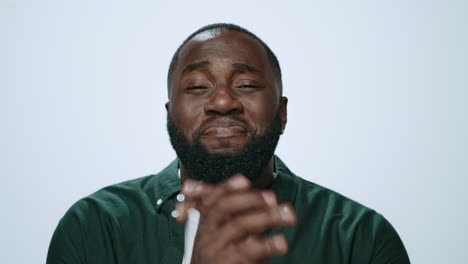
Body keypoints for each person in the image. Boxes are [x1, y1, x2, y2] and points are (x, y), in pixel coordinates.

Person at [47, 23, 410, 264]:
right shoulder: (94, 227)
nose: (222, 102)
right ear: (169, 113)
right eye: (198, 86)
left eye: (247, 85)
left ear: (282, 112)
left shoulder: (362, 239)